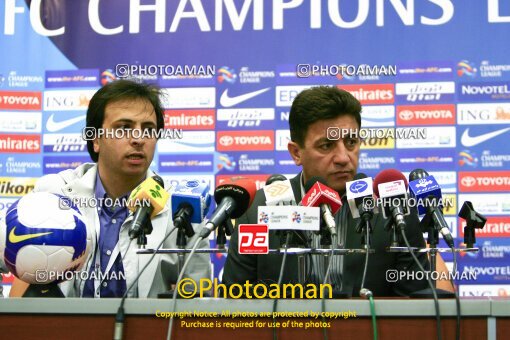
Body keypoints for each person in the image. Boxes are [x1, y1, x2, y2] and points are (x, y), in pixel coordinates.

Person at [223, 86, 454, 297]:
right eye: (326, 146)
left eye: (351, 142)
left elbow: (416, 309)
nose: (344, 158)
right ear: (296, 153)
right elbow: (234, 304)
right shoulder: (258, 211)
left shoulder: (393, 207)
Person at [9, 79, 211, 298]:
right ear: (95, 139)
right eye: (123, 128)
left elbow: (198, 300)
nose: (138, 139)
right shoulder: (53, 194)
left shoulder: (182, 208)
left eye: (148, 129)